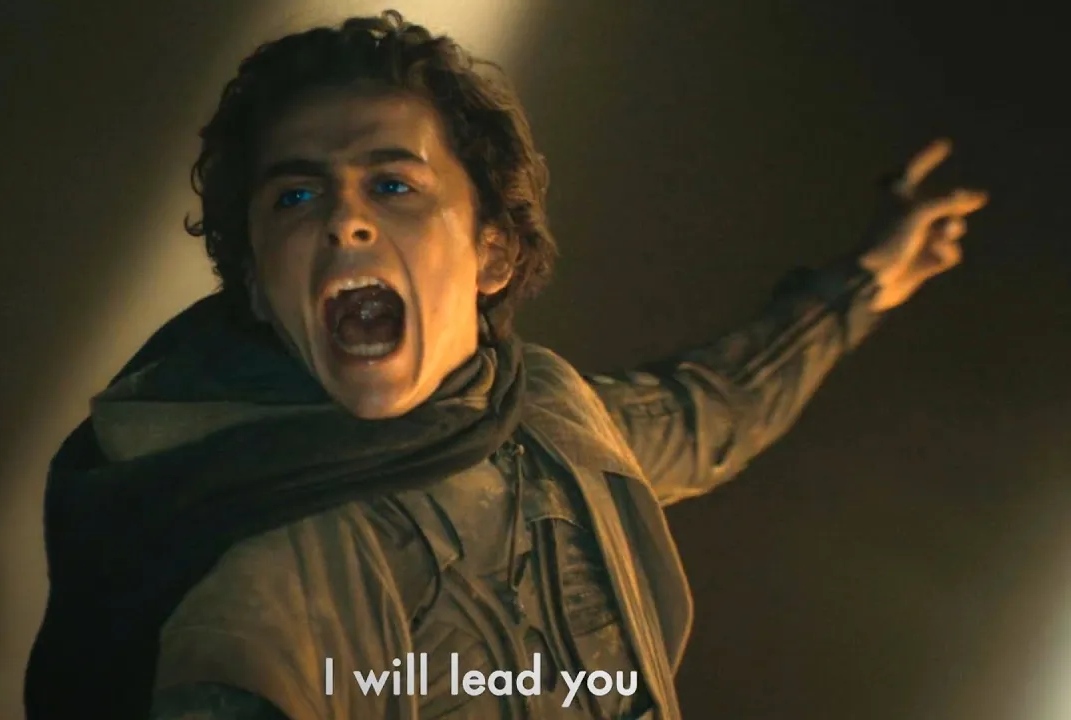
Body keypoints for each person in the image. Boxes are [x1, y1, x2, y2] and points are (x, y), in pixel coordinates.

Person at [23, 10, 988, 720]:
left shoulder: (549, 415)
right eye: (296, 196)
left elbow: (708, 411)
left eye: (393, 184)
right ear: (257, 281)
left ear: (491, 252)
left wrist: (865, 282)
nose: (344, 219)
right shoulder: (257, 557)